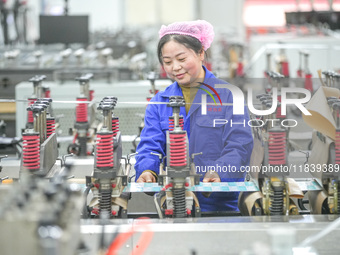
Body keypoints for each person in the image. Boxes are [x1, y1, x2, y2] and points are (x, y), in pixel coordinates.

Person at [134, 20, 253, 212]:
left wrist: (219, 171)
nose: (175, 67)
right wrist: (147, 170)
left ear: (200, 54)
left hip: (219, 201)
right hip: (174, 200)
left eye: (181, 59)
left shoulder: (228, 95)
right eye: (167, 62)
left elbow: (240, 145)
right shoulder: (159, 101)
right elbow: (150, 144)